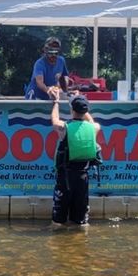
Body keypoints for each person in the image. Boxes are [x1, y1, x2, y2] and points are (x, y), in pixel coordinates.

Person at [49, 87, 101, 228]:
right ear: (85, 111)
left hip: (65, 177)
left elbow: (54, 120)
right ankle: (79, 244)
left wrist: (56, 101)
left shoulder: (64, 128)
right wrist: (82, 105)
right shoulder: (94, 128)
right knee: (80, 222)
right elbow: (90, 120)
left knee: (58, 222)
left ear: (72, 110)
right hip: (83, 178)